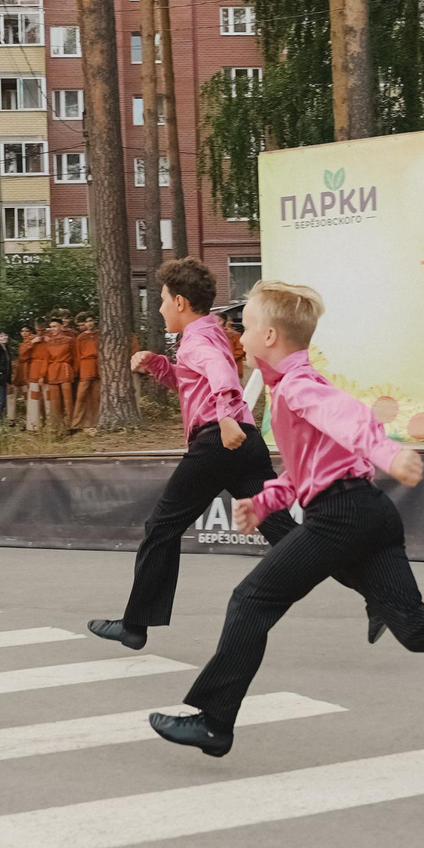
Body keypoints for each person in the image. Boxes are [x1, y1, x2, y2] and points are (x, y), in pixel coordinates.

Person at [150, 281, 424, 759]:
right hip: (369, 512)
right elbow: (309, 471)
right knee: (414, 627)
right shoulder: (292, 389)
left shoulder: (299, 388)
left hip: (340, 517)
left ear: (270, 337)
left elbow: (351, 417)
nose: (240, 334)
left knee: (250, 600)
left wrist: (387, 453)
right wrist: (264, 503)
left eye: (250, 325)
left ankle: (214, 722)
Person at [89, 258, 273, 651]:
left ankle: (135, 625)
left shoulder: (199, 339)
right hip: (244, 440)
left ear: (179, 302)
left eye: (161, 301)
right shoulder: (207, 334)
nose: (158, 309)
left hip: (219, 441)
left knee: (161, 527)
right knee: (284, 532)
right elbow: (195, 383)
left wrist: (225, 419)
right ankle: (376, 593)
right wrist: (158, 365)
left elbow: (223, 378)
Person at [72, 312, 102, 432]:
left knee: (96, 396)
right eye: (86, 322)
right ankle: (76, 423)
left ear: (94, 321)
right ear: (84, 324)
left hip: (98, 365)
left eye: (91, 321)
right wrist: (76, 371)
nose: (89, 324)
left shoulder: (100, 335)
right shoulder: (80, 338)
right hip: (85, 366)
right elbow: (77, 355)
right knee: (81, 395)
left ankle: (95, 422)